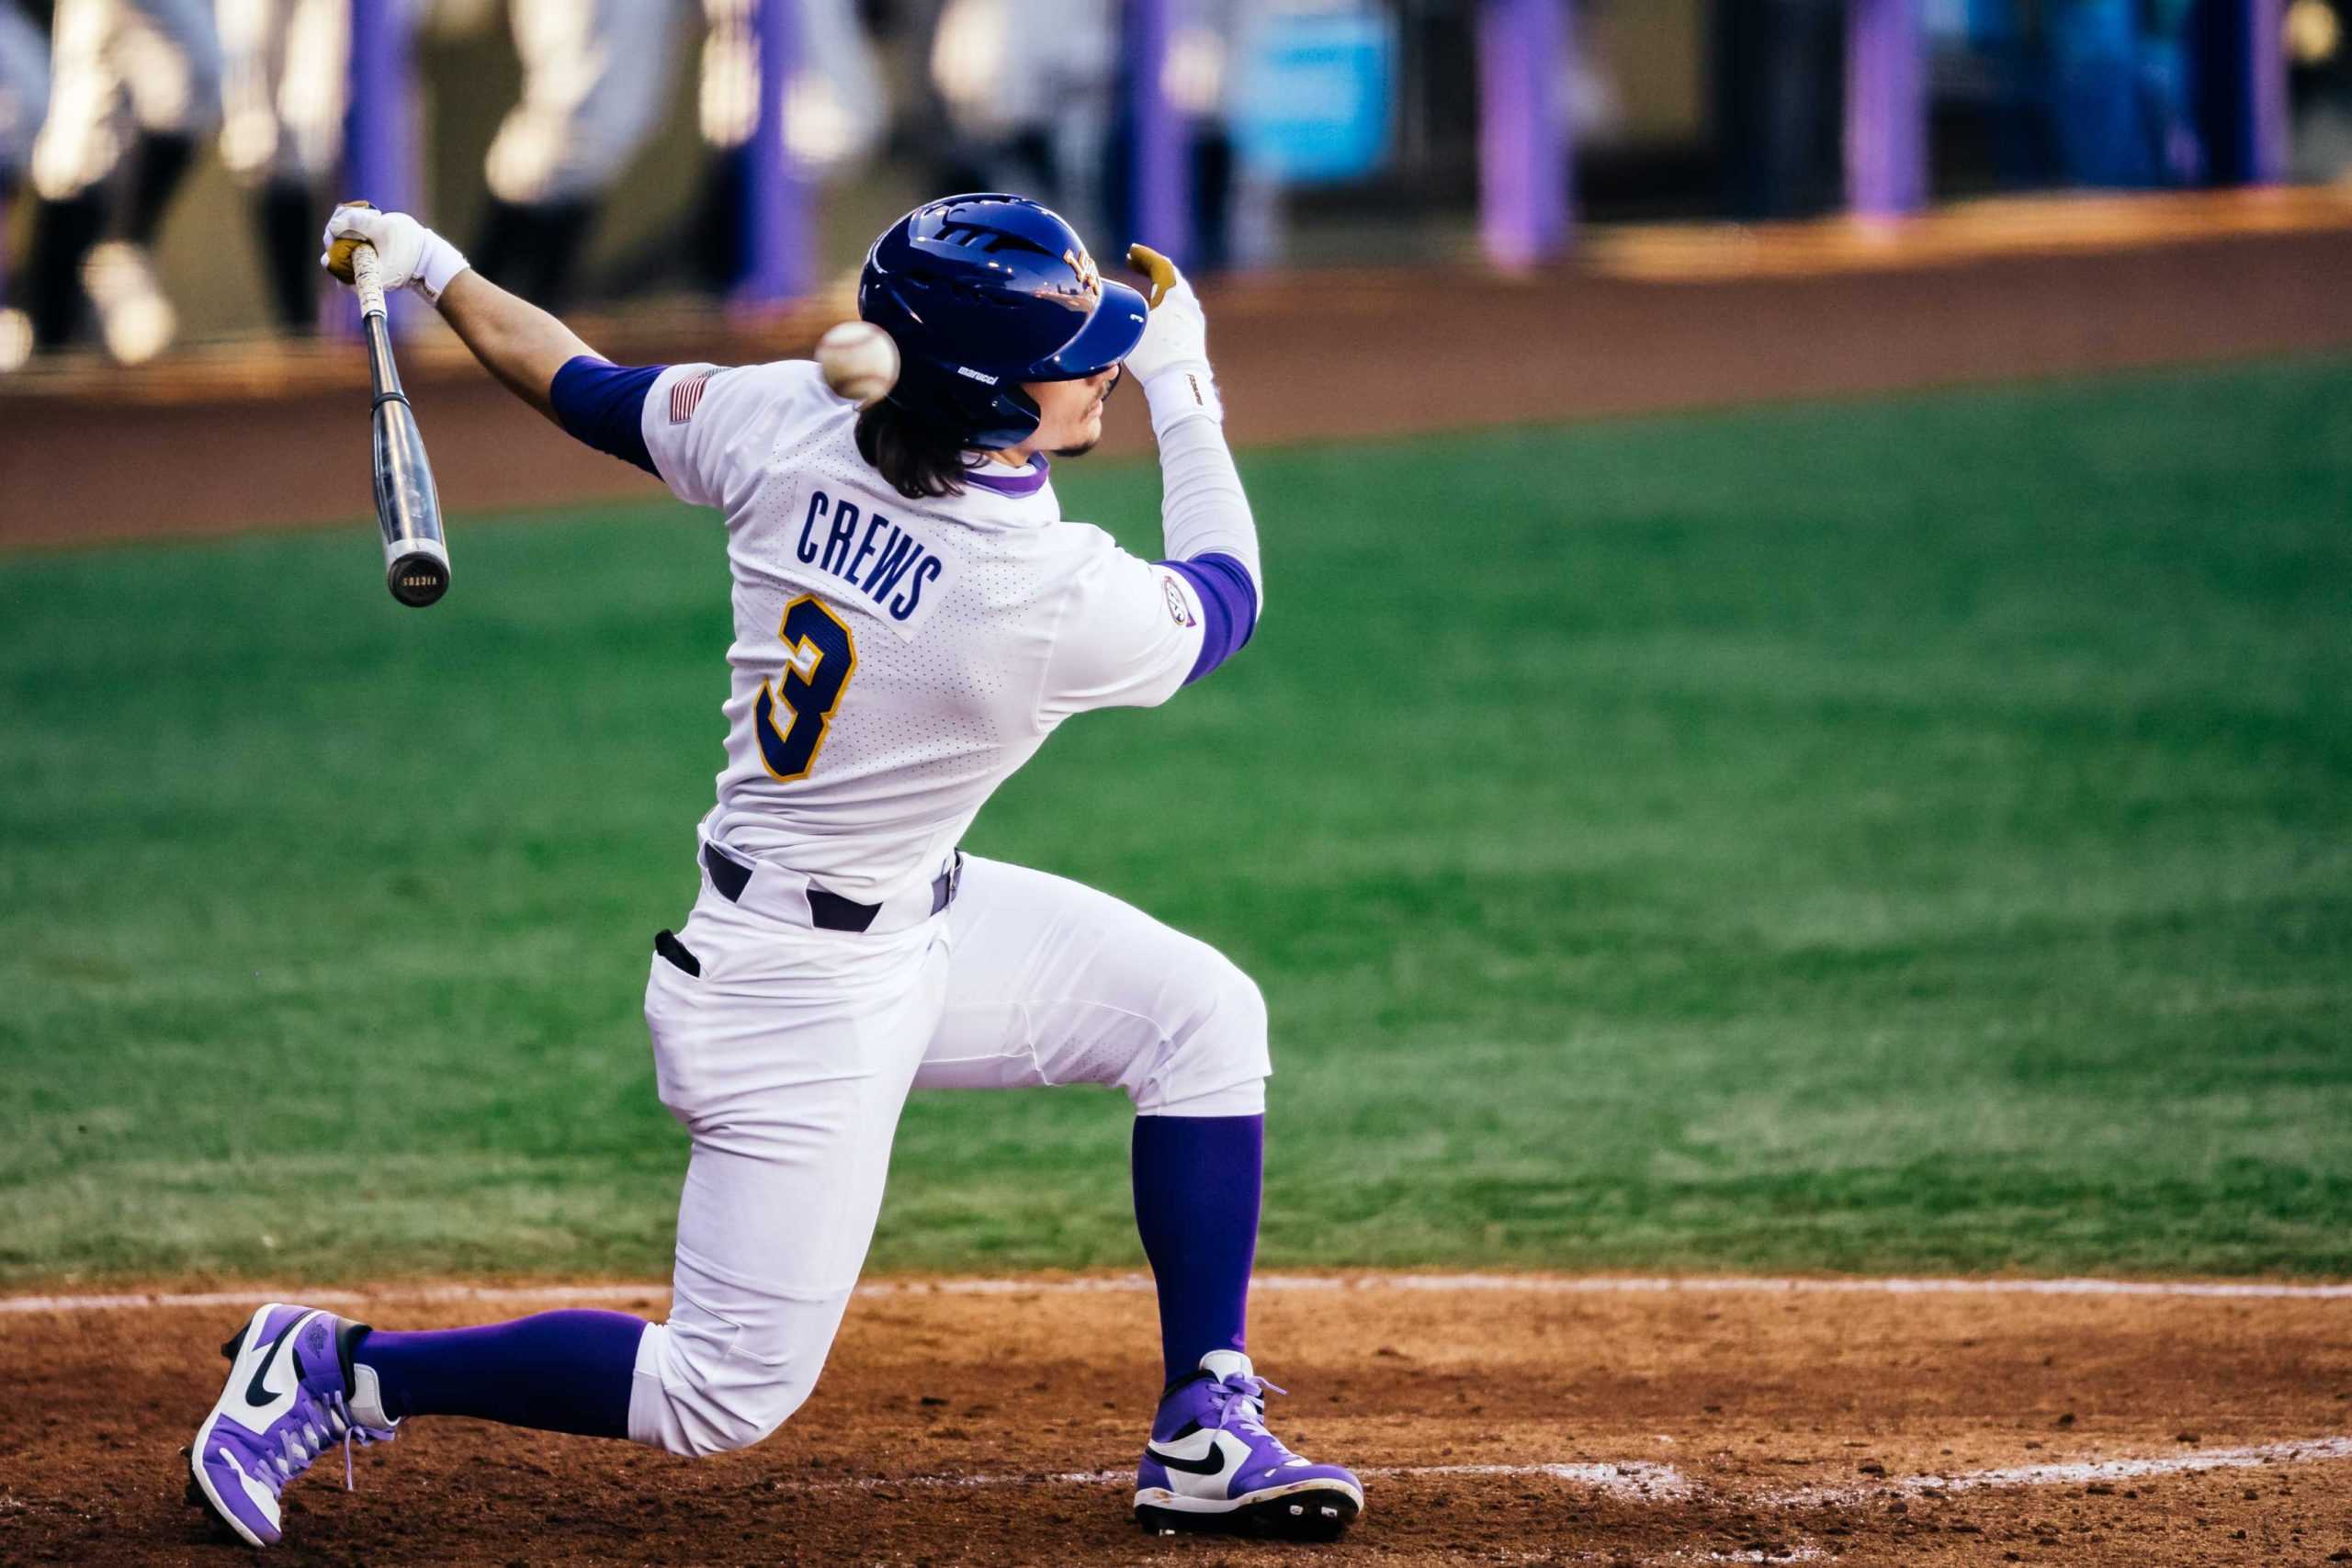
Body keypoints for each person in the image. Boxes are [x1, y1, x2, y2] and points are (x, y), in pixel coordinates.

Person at [181, 192, 1364, 1549]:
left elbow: (581, 385)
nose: (1101, 363)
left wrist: (436, 265)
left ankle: (1205, 1425)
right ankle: (334, 1369)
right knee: (717, 1395)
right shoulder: (1035, 598)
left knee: (1201, 1014)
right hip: (791, 999)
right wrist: (1182, 380)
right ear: (984, 401)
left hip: (913, 914)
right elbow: (1227, 592)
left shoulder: (785, 421)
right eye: (1075, 355)